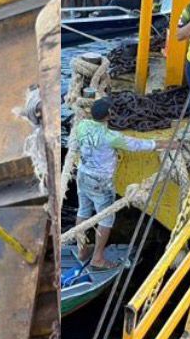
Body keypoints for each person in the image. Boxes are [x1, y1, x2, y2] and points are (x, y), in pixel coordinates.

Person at [71, 98, 174, 267]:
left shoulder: (83, 126)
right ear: (108, 116)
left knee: (83, 211)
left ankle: (82, 250)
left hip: (82, 174)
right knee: (105, 219)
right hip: (101, 181)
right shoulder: (111, 137)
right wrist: (164, 143)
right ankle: (97, 258)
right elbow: (137, 145)